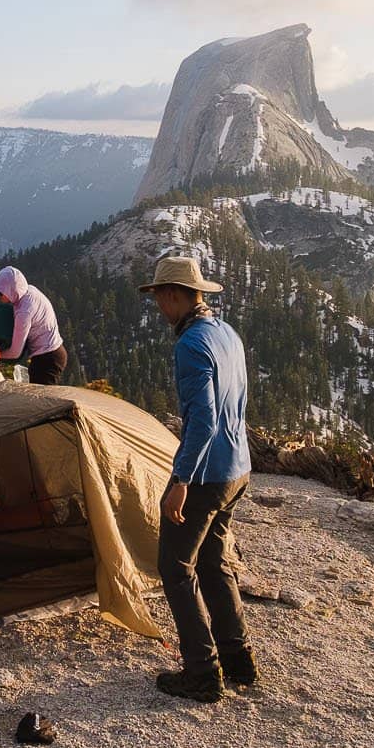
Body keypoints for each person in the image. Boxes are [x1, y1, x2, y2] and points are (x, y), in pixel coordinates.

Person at [140, 255, 256, 703]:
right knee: (213, 562)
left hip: (206, 475)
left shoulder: (190, 345)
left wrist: (181, 480)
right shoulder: (226, 332)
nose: (157, 307)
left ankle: (202, 673)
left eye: (158, 298)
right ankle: (238, 660)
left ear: (173, 295)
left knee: (175, 566)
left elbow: (203, 422)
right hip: (237, 469)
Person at [0, 266, 67, 384]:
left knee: (40, 401)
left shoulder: (24, 312)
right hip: (52, 354)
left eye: (1, 293)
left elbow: (15, 352)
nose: (0, 297)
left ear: (11, 290)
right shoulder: (29, 290)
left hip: (47, 359)